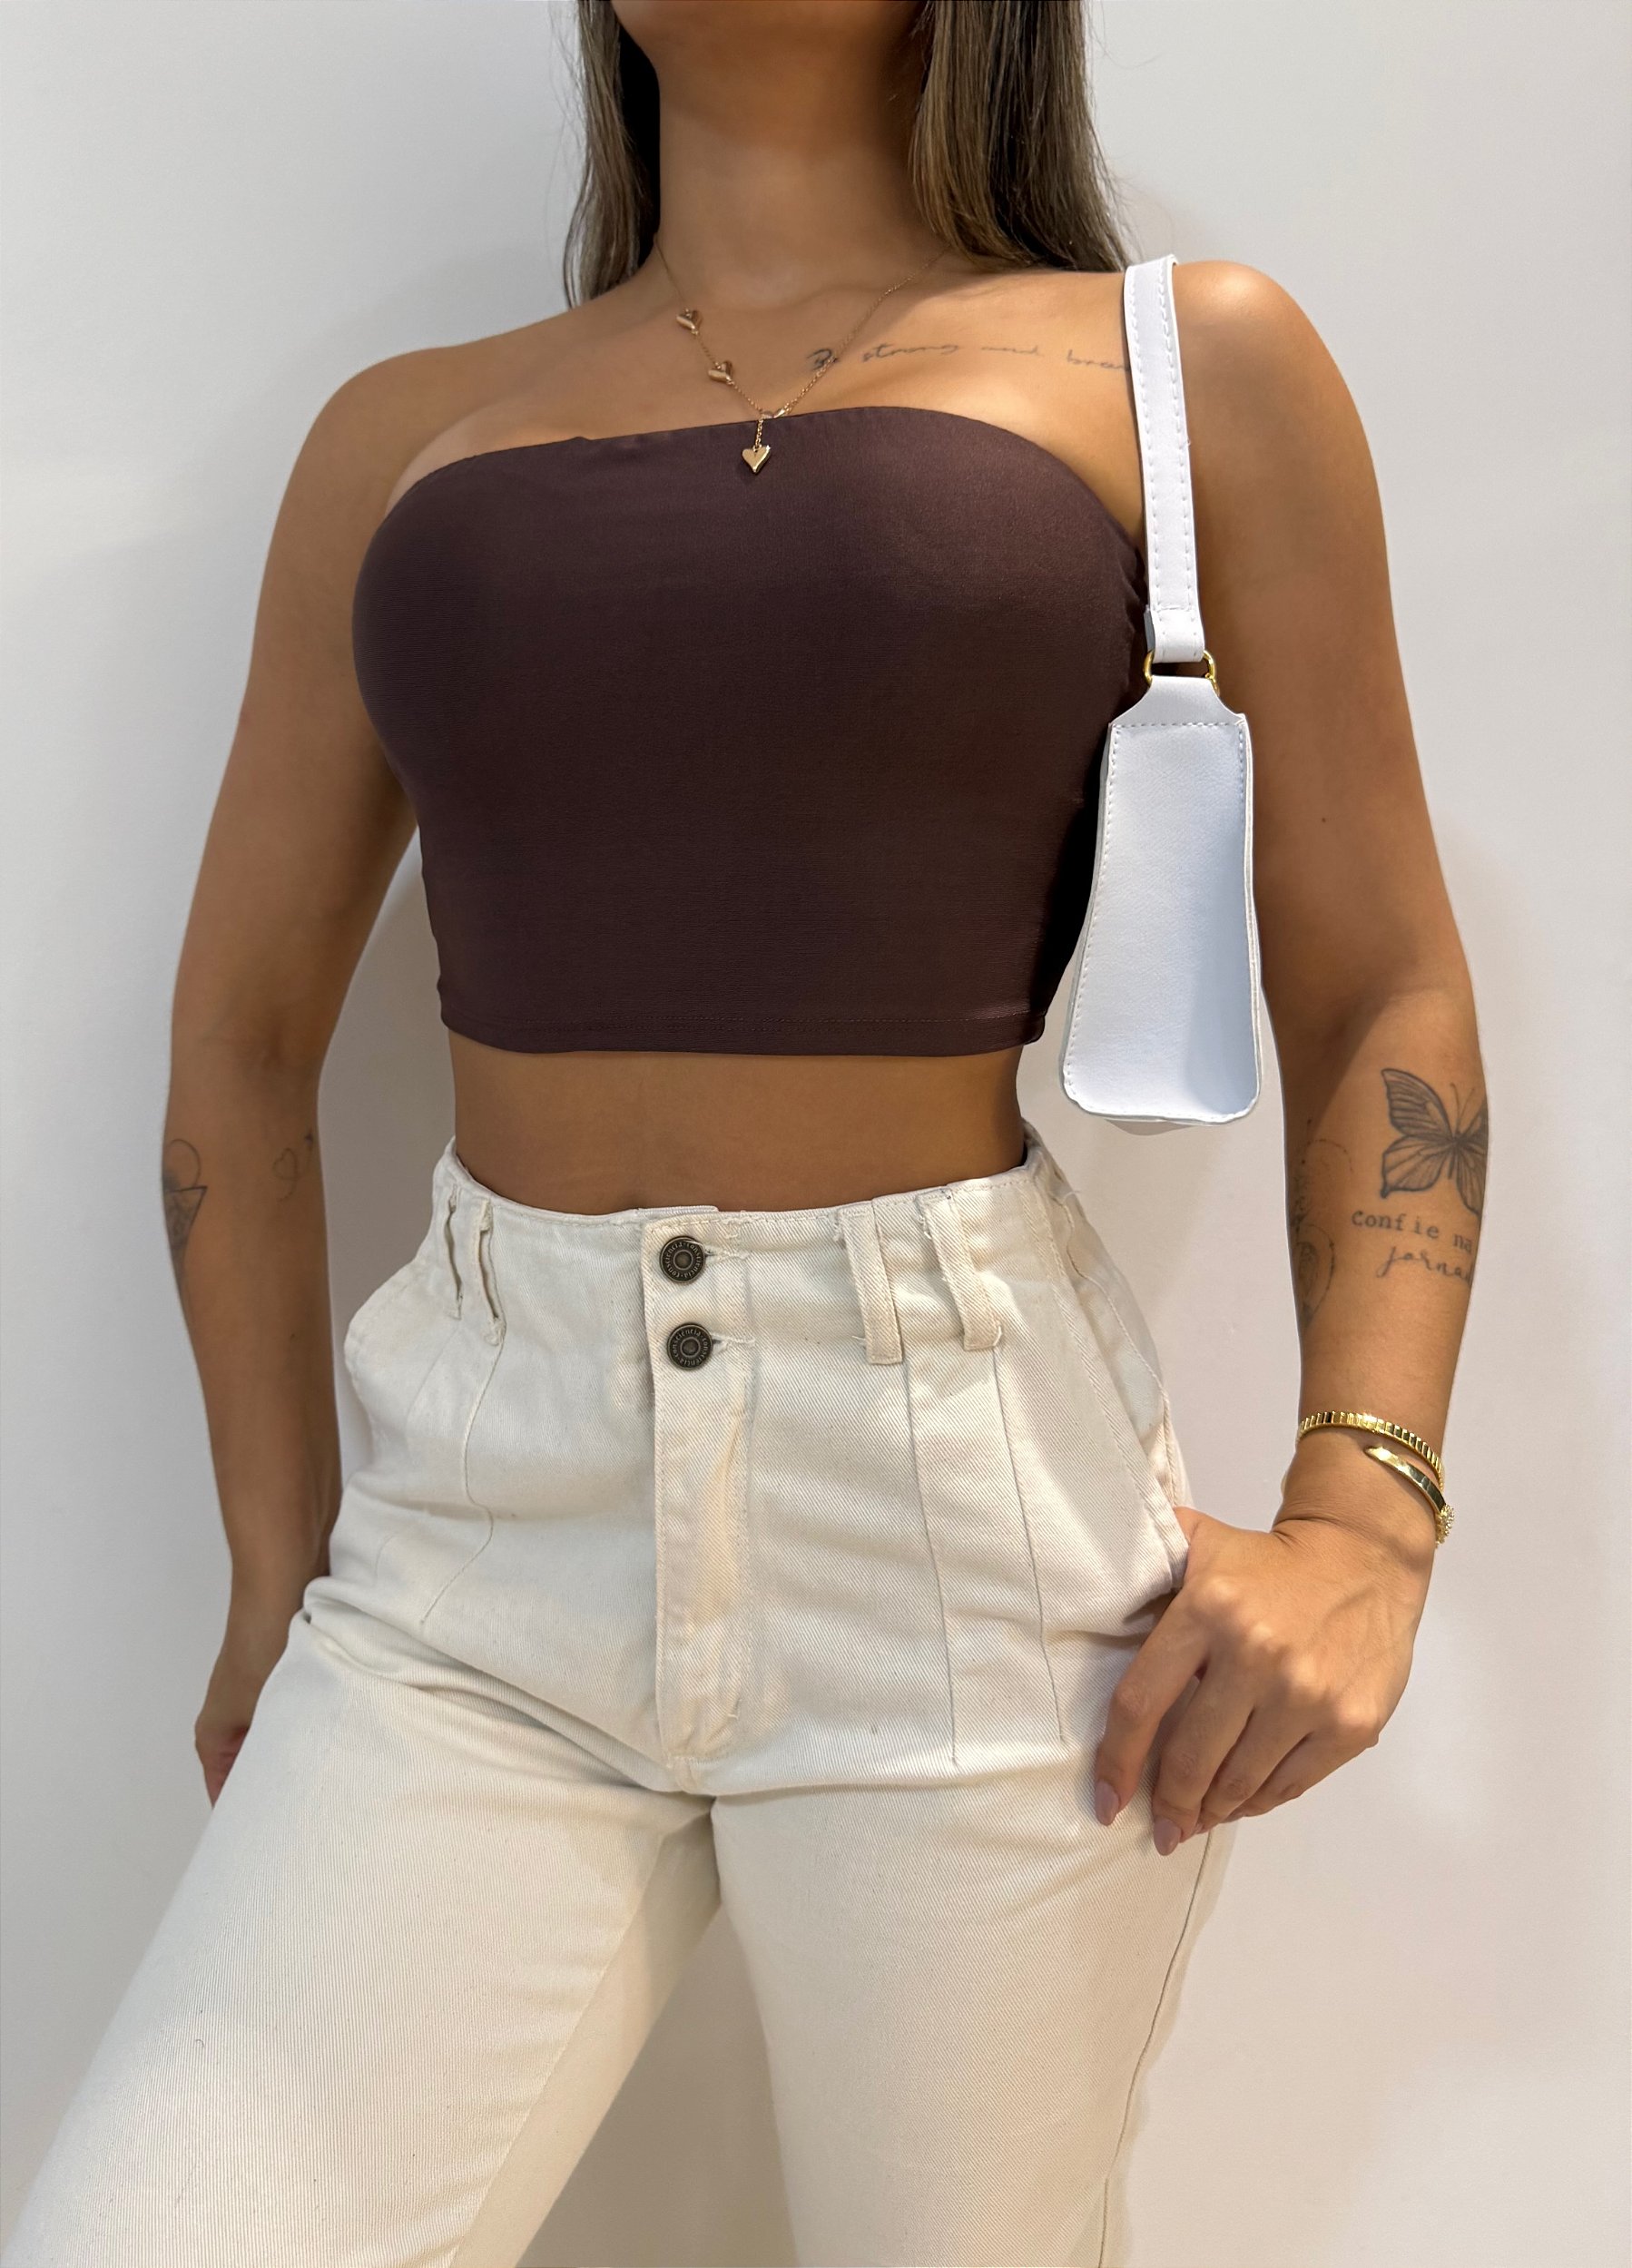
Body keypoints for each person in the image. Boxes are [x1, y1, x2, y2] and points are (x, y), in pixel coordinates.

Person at [5, 4, 1485, 2265]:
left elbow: (1376, 977)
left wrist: (1361, 1513)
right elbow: (237, 1038)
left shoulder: (1181, 372)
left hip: (964, 1534)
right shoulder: (400, 441)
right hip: (470, 1549)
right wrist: (271, 1572)